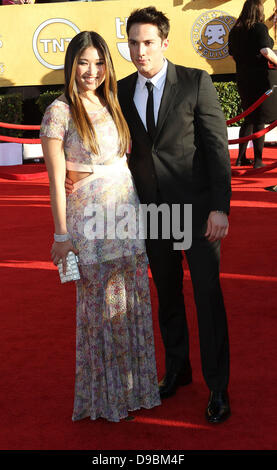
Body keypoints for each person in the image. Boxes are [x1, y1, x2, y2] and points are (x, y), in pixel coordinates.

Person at [67, 7, 232, 424]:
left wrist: (220, 207)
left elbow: (215, 149)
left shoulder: (196, 82)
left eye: (148, 42)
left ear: (164, 42)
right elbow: (101, 141)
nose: (140, 51)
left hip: (195, 213)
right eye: (133, 43)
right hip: (153, 214)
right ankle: (178, 368)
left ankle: (218, 388)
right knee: (169, 297)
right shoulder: (119, 91)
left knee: (207, 299)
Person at [40, 31, 161, 422]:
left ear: (107, 65)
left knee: (132, 301)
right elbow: (56, 179)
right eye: (83, 63)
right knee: (100, 309)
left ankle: (135, 391)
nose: (91, 71)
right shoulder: (59, 111)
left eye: (98, 63)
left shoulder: (112, 102)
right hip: (90, 224)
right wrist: (61, 235)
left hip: (126, 212)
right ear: (71, 65)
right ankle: (105, 398)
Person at [228, 0, 277, 168]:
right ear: (259, 10)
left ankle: (240, 158)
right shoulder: (259, 28)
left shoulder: (235, 30)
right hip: (261, 78)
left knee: (248, 117)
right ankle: (258, 160)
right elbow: (266, 51)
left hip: (243, 77)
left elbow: (231, 55)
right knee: (259, 120)